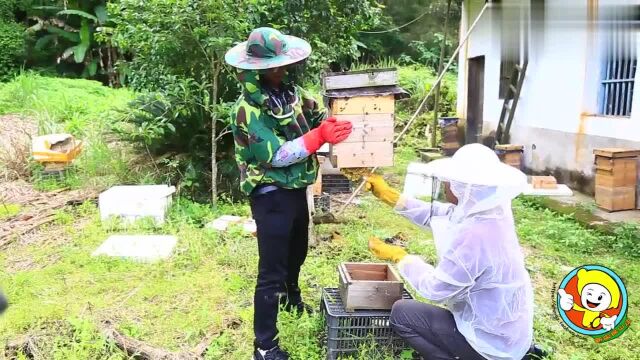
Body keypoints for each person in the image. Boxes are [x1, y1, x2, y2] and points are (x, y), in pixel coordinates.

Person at [225, 27, 352, 360]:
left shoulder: (289, 92)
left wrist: (332, 124)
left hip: (296, 187)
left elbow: (313, 114)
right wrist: (317, 138)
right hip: (269, 193)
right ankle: (264, 346)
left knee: (297, 251)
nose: (283, 71)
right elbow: (275, 155)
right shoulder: (247, 109)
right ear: (257, 69)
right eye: (276, 67)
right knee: (271, 271)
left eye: (283, 66)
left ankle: (291, 298)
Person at [365, 143, 546, 360]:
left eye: (449, 181)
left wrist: (401, 258)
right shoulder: (488, 211)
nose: (445, 185)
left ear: (465, 186)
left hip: (488, 343)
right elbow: (439, 215)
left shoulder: (476, 235)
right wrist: (392, 197)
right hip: (506, 331)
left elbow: (436, 289)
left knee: (403, 314)